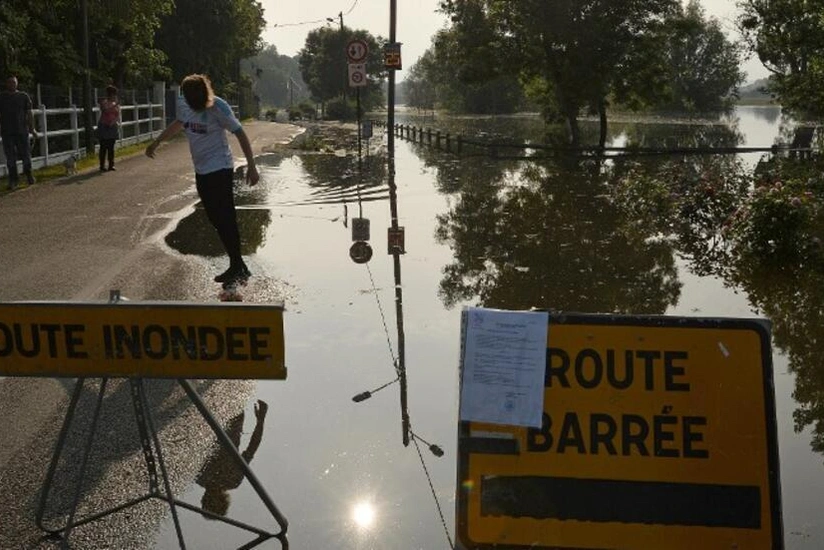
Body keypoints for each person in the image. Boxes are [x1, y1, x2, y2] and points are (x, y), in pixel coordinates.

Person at [146, 74, 259, 284]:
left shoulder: (218, 108)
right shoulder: (185, 106)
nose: (192, 101)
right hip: (202, 170)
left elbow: (240, 134)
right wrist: (157, 142)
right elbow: (178, 124)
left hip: (220, 168)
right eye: (189, 97)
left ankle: (237, 265)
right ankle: (238, 264)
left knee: (225, 216)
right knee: (215, 218)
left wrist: (252, 167)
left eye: (196, 97)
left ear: (204, 94)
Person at [195, 400, 268, 517]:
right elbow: (251, 449)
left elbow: (251, 448)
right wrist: (260, 421)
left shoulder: (201, 477)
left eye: (208, 501)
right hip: (230, 420)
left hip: (215, 421)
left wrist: (260, 421)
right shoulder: (231, 480)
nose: (208, 498)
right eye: (212, 502)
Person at [0, 75, 38, 190]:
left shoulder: (23, 96)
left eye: (14, 82)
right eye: (10, 82)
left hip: (22, 130)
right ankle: (13, 180)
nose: (12, 84)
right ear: (6, 84)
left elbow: (29, 113)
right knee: (10, 157)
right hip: (7, 131)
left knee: (26, 154)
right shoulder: (2, 97)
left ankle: (29, 175)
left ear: (17, 84)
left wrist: (32, 128)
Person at [96, 85, 120, 171]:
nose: (114, 96)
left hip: (112, 126)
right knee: (103, 147)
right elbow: (105, 111)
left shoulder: (115, 104)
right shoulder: (104, 102)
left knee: (111, 147)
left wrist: (113, 122)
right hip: (104, 126)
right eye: (113, 94)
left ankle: (111, 164)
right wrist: (115, 105)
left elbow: (118, 115)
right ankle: (102, 165)